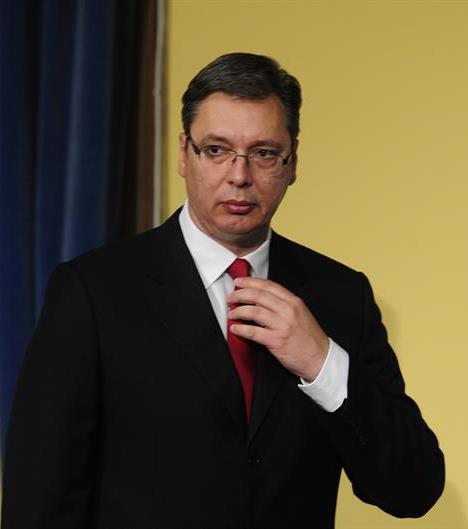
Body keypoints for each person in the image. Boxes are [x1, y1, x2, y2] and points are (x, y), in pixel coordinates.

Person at [1, 52, 444, 529]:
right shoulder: (94, 291)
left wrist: (322, 363)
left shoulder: (341, 296)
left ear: (293, 162)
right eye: (216, 149)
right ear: (183, 154)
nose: (239, 175)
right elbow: (39, 499)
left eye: (264, 153)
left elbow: (413, 487)